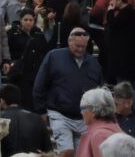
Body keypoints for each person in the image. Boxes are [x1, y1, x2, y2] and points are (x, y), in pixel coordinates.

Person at [33, 27, 104, 156]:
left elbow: (99, 89)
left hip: (84, 117)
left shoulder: (93, 63)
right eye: (77, 46)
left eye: (84, 46)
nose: (81, 49)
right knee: (66, 151)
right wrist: (41, 110)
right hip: (59, 113)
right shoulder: (54, 56)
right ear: (69, 42)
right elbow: (40, 83)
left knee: (82, 153)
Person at [104, 0, 135, 109]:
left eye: (112, 0)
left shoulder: (127, 14)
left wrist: (110, 12)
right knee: (131, 88)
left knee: (127, 88)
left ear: (120, 0)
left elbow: (113, 26)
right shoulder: (130, 13)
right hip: (129, 61)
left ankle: (129, 112)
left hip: (125, 61)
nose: (111, 3)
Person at [76, 87, 122, 157]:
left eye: (82, 108)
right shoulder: (115, 128)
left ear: (93, 110)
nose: (81, 112)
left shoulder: (99, 135)